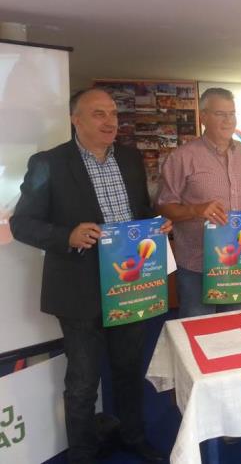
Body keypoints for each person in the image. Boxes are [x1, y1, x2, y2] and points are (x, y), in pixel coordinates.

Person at [10, 88, 169, 463]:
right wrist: (66, 235)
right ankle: (81, 453)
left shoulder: (129, 158)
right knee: (83, 381)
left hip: (130, 285)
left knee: (129, 369)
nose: (110, 121)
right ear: (75, 119)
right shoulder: (48, 162)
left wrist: (156, 224)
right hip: (78, 289)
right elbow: (22, 223)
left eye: (113, 113)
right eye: (98, 114)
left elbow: (139, 210)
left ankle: (133, 435)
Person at [157, 87, 241, 318]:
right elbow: (163, 206)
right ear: (203, 117)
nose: (228, 120)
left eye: (231, 114)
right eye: (220, 114)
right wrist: (195, 210)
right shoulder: (182, 157)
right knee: (198, 330)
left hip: (240, 263)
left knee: (237, 328)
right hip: (197, 266)